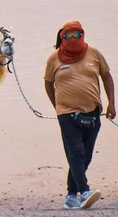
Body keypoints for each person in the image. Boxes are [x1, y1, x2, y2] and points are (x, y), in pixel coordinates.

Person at [44, 20, 115, 210]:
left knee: (86, 156)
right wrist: (58, 106)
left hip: (92, 114)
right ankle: (84, 191)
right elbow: (48, 84)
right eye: (68, 35)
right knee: (75, 151)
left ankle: (70, 196)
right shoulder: (54, 59)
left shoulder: (94, 53)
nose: (73, 38)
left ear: (83, 34)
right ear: (62, 37)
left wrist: (111, 103)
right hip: (67, 114)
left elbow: (107, 76)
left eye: (77, 34)